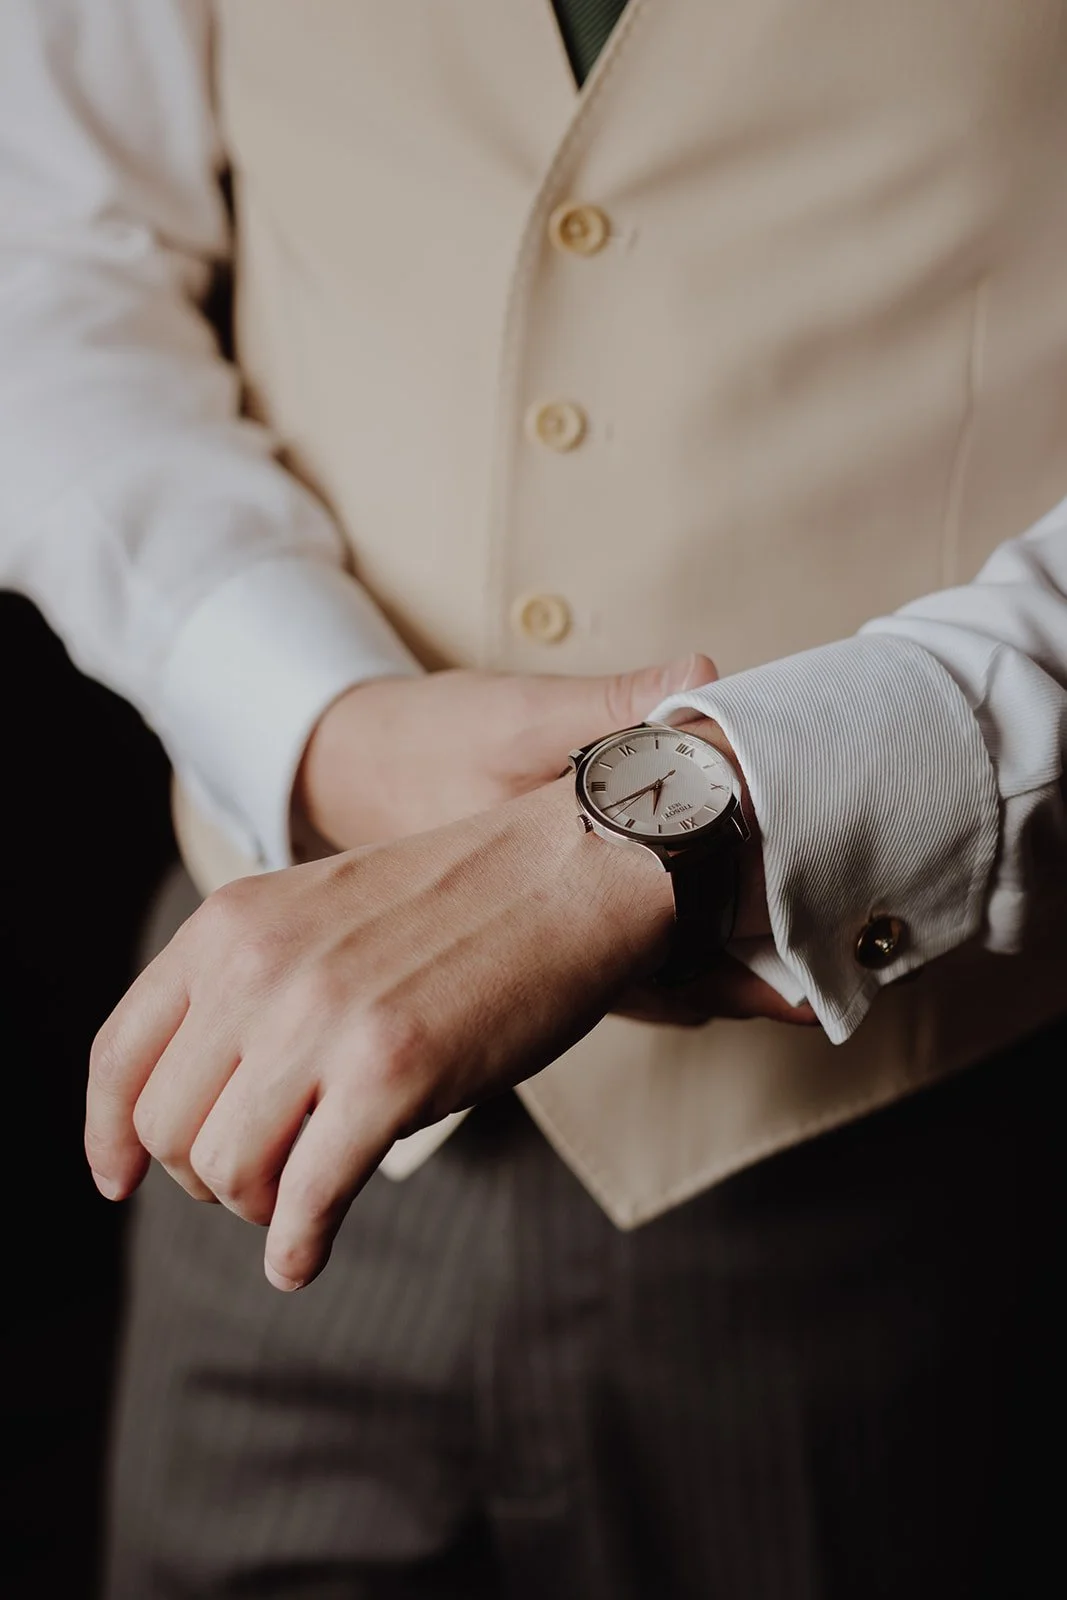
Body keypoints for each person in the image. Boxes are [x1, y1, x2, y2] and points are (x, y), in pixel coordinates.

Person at [1, 2, 1064, 1595]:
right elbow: (43, 242)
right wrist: (314, 723)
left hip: (898, 1162)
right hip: (242, 1093)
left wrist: (738, 807)